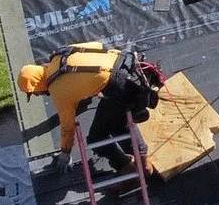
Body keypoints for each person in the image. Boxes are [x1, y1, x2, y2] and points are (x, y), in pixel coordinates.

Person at [17, 42, 141, 173]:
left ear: (37, 85)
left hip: (119, 85)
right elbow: (98, 46)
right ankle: (140, 164)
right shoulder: (59, 55)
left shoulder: (58, 91)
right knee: (116, 124)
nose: (37, 95)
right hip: (127, 62)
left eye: (34, 92)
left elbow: (67, 127)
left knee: (96, 138)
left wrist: (65, 152)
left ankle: (133, 170)